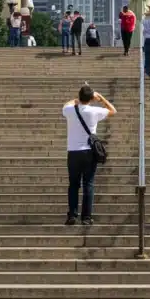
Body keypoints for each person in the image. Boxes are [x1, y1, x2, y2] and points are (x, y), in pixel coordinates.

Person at [62, 84, 116, 226]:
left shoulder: (69, 110)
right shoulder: (94, 111)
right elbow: (113, 110)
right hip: (88, 152)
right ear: (91, 98)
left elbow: (67, 104)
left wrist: (77, 99)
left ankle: (72, 215)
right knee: (88, 184)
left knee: (73, 184)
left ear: (80, 97)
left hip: (73, 152)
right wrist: (100, 98)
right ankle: (86, 217)